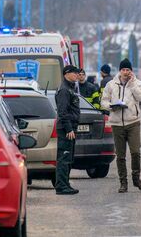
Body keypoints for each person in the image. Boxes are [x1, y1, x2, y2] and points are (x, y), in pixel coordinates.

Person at [100, 58, 141, 193]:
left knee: (135, 152)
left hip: (132, 122)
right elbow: (103, 101)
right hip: (116, 123)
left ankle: (136, 178)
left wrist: (132, 84)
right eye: (123, 70)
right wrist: (111, 106)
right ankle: (123, 182)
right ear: (119, 71)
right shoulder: (111, 84)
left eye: (128, 70)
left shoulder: (137, 83)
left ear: (131, 71)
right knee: (120, 155)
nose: (125, 72)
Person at [54, 65, 81, 195]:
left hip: (70, 127)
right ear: (67, 74)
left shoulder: (70, 88)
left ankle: (65, 184)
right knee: (64, 158)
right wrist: (69, 128)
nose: (77, 75)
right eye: (75, 73)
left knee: (68, 157)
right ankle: (61, 186)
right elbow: (62, 112)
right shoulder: (64, 90)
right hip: (66, 129)